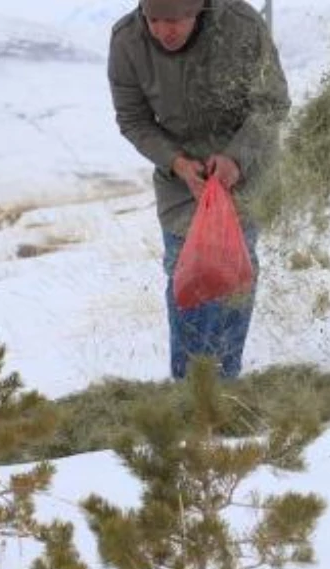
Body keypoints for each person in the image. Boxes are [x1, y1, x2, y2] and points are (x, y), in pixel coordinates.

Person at [108, 0, 290, 380]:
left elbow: (272, 104)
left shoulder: (240, 26)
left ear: (200, 10)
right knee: (185, 269)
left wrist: (235, 159)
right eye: (155, 20)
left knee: (232, 270)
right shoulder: (127, 41)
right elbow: (133, 119)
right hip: (180, 174)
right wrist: (175, 162)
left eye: (176, 20)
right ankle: (189, 384)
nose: (165, 30)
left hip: (244, 161)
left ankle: (224, 379)